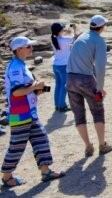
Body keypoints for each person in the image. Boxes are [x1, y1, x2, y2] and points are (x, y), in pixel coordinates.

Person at [2, 37, 65, 188]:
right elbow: (17, 93)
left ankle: (46, 171)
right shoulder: (16, 67)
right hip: (21, 115)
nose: (31, 48)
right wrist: (34, 87)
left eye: (31, 46)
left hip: (29, 113)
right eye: (28, 46)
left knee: (41, 139)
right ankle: (6, 177)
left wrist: (41, 88)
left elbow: (27, 90)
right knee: (17, 146)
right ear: (18, 50)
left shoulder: (21, 65)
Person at [66, 15, 112, 157]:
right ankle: (102, 145)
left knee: (79, 114)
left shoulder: (81, 36)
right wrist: (100, 87)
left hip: (70, 78)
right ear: (103, 27)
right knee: (98, 111)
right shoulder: (99, 41)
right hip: (86, 79)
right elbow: (100, 67)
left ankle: (88, 146)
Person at [50, 22, 78, 112]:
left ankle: (57, 105)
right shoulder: (63, 40)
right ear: (59, 31)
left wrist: (68, 31)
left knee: (58, 85)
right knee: (64, 86)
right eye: (62, 29)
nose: (64, 30)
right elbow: (76, 38)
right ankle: (62, 106)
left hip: (56, 65)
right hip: (64, 66)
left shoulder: (54, 39)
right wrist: (75, 28)